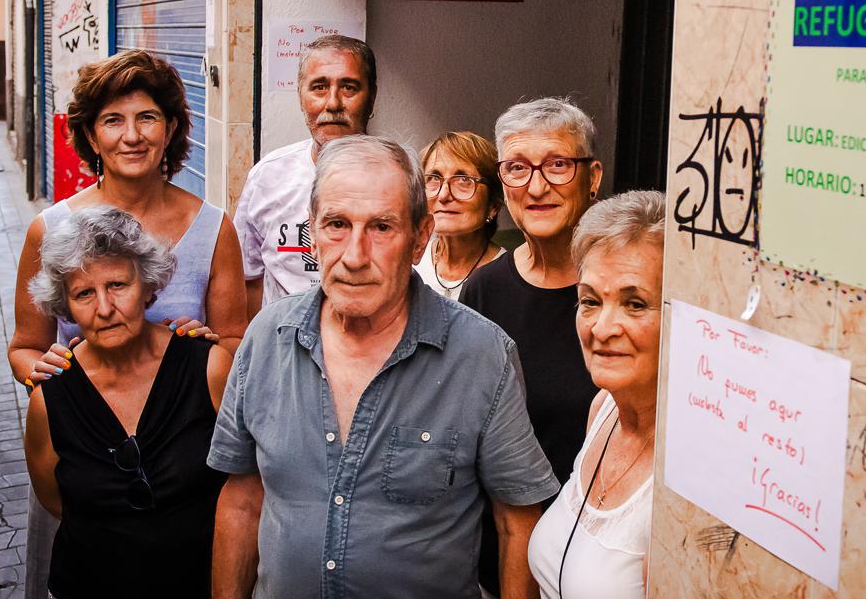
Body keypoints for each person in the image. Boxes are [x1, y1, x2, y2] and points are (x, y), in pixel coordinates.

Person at [208, 135, 559, 598]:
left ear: (419, 238)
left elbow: (517, 524)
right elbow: (242, 500)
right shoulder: (265, 339)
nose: (354, 256)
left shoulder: (481, 355)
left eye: (381, 228)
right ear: (312, 228)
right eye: (336, 224)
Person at [9, 49, 245, 599]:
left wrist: (210, 348)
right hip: (88, 449)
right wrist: (42, 378)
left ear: (170, 130)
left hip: (183, 456)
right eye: (113, 120)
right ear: (91, 136)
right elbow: (24, 346)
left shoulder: (213, 229)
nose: (131, 135)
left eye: (148, 118)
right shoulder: (51, 230)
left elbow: (235, 338)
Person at [23, 206, 233, 599]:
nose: (104, 308)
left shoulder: (209, 367)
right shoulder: (50, 399)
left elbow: (244, 484)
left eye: (117, 285)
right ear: (65, 305)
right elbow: (57, 500)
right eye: (84, 293)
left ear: (148, 285)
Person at [460, 97, 604, 596]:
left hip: (597, 561)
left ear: (593, 177)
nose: (537, 186)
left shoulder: (621, 295)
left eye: (558, 165)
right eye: (517, 168)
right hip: (500, 559)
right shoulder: (483, 292)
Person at [527, 191, 663, 599]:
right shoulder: (602, 410)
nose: (602, 328)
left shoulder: (688, 475)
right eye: (590, 301)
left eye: (634, 303)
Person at [234, 34, 377, 318]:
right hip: (285, 349)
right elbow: (248, 278)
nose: (333, 103)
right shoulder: (268, 177)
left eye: (349, 87)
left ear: (371, 96)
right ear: (301, 95)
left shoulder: (398, 180)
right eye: (319, 88)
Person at [414, 131, 506, 299]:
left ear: (493, 205)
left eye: (463, 180)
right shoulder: (409, 262)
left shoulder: (507, 277)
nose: (443, 195)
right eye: (434, 178)